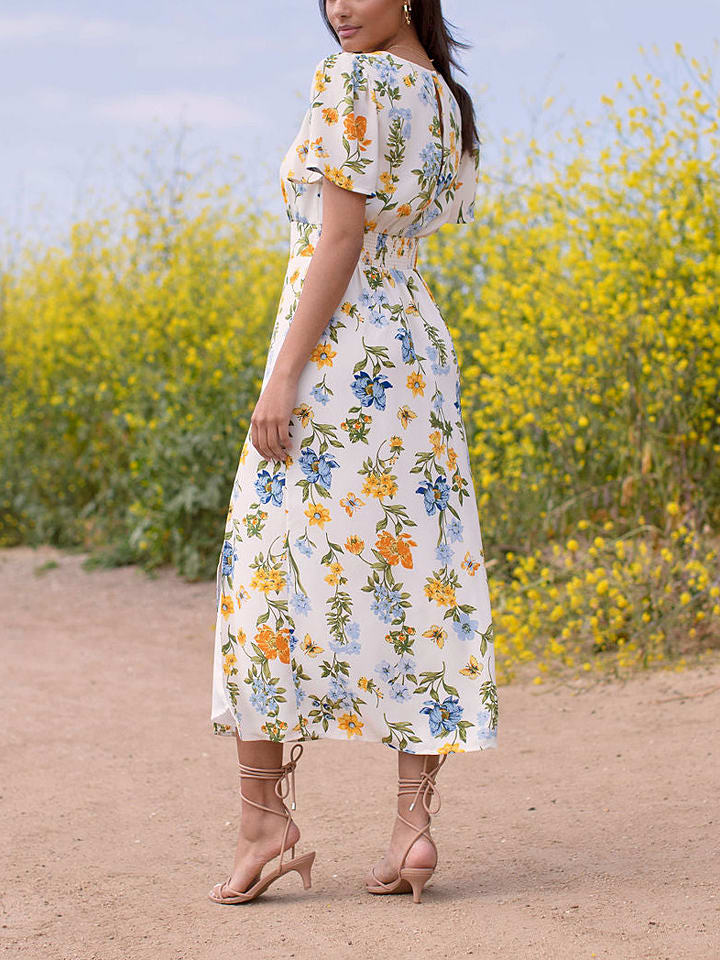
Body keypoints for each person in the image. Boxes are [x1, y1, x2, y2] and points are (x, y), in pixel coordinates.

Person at [209, 0, 498, 906]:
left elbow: (338, 238)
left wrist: (282, 378)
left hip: (336, 360)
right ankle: (413, 827)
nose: (338, 6)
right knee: (421, 580)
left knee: (265, 575)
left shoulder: (354, 78)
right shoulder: (446, 98)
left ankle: (265, 823)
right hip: (413, 359)